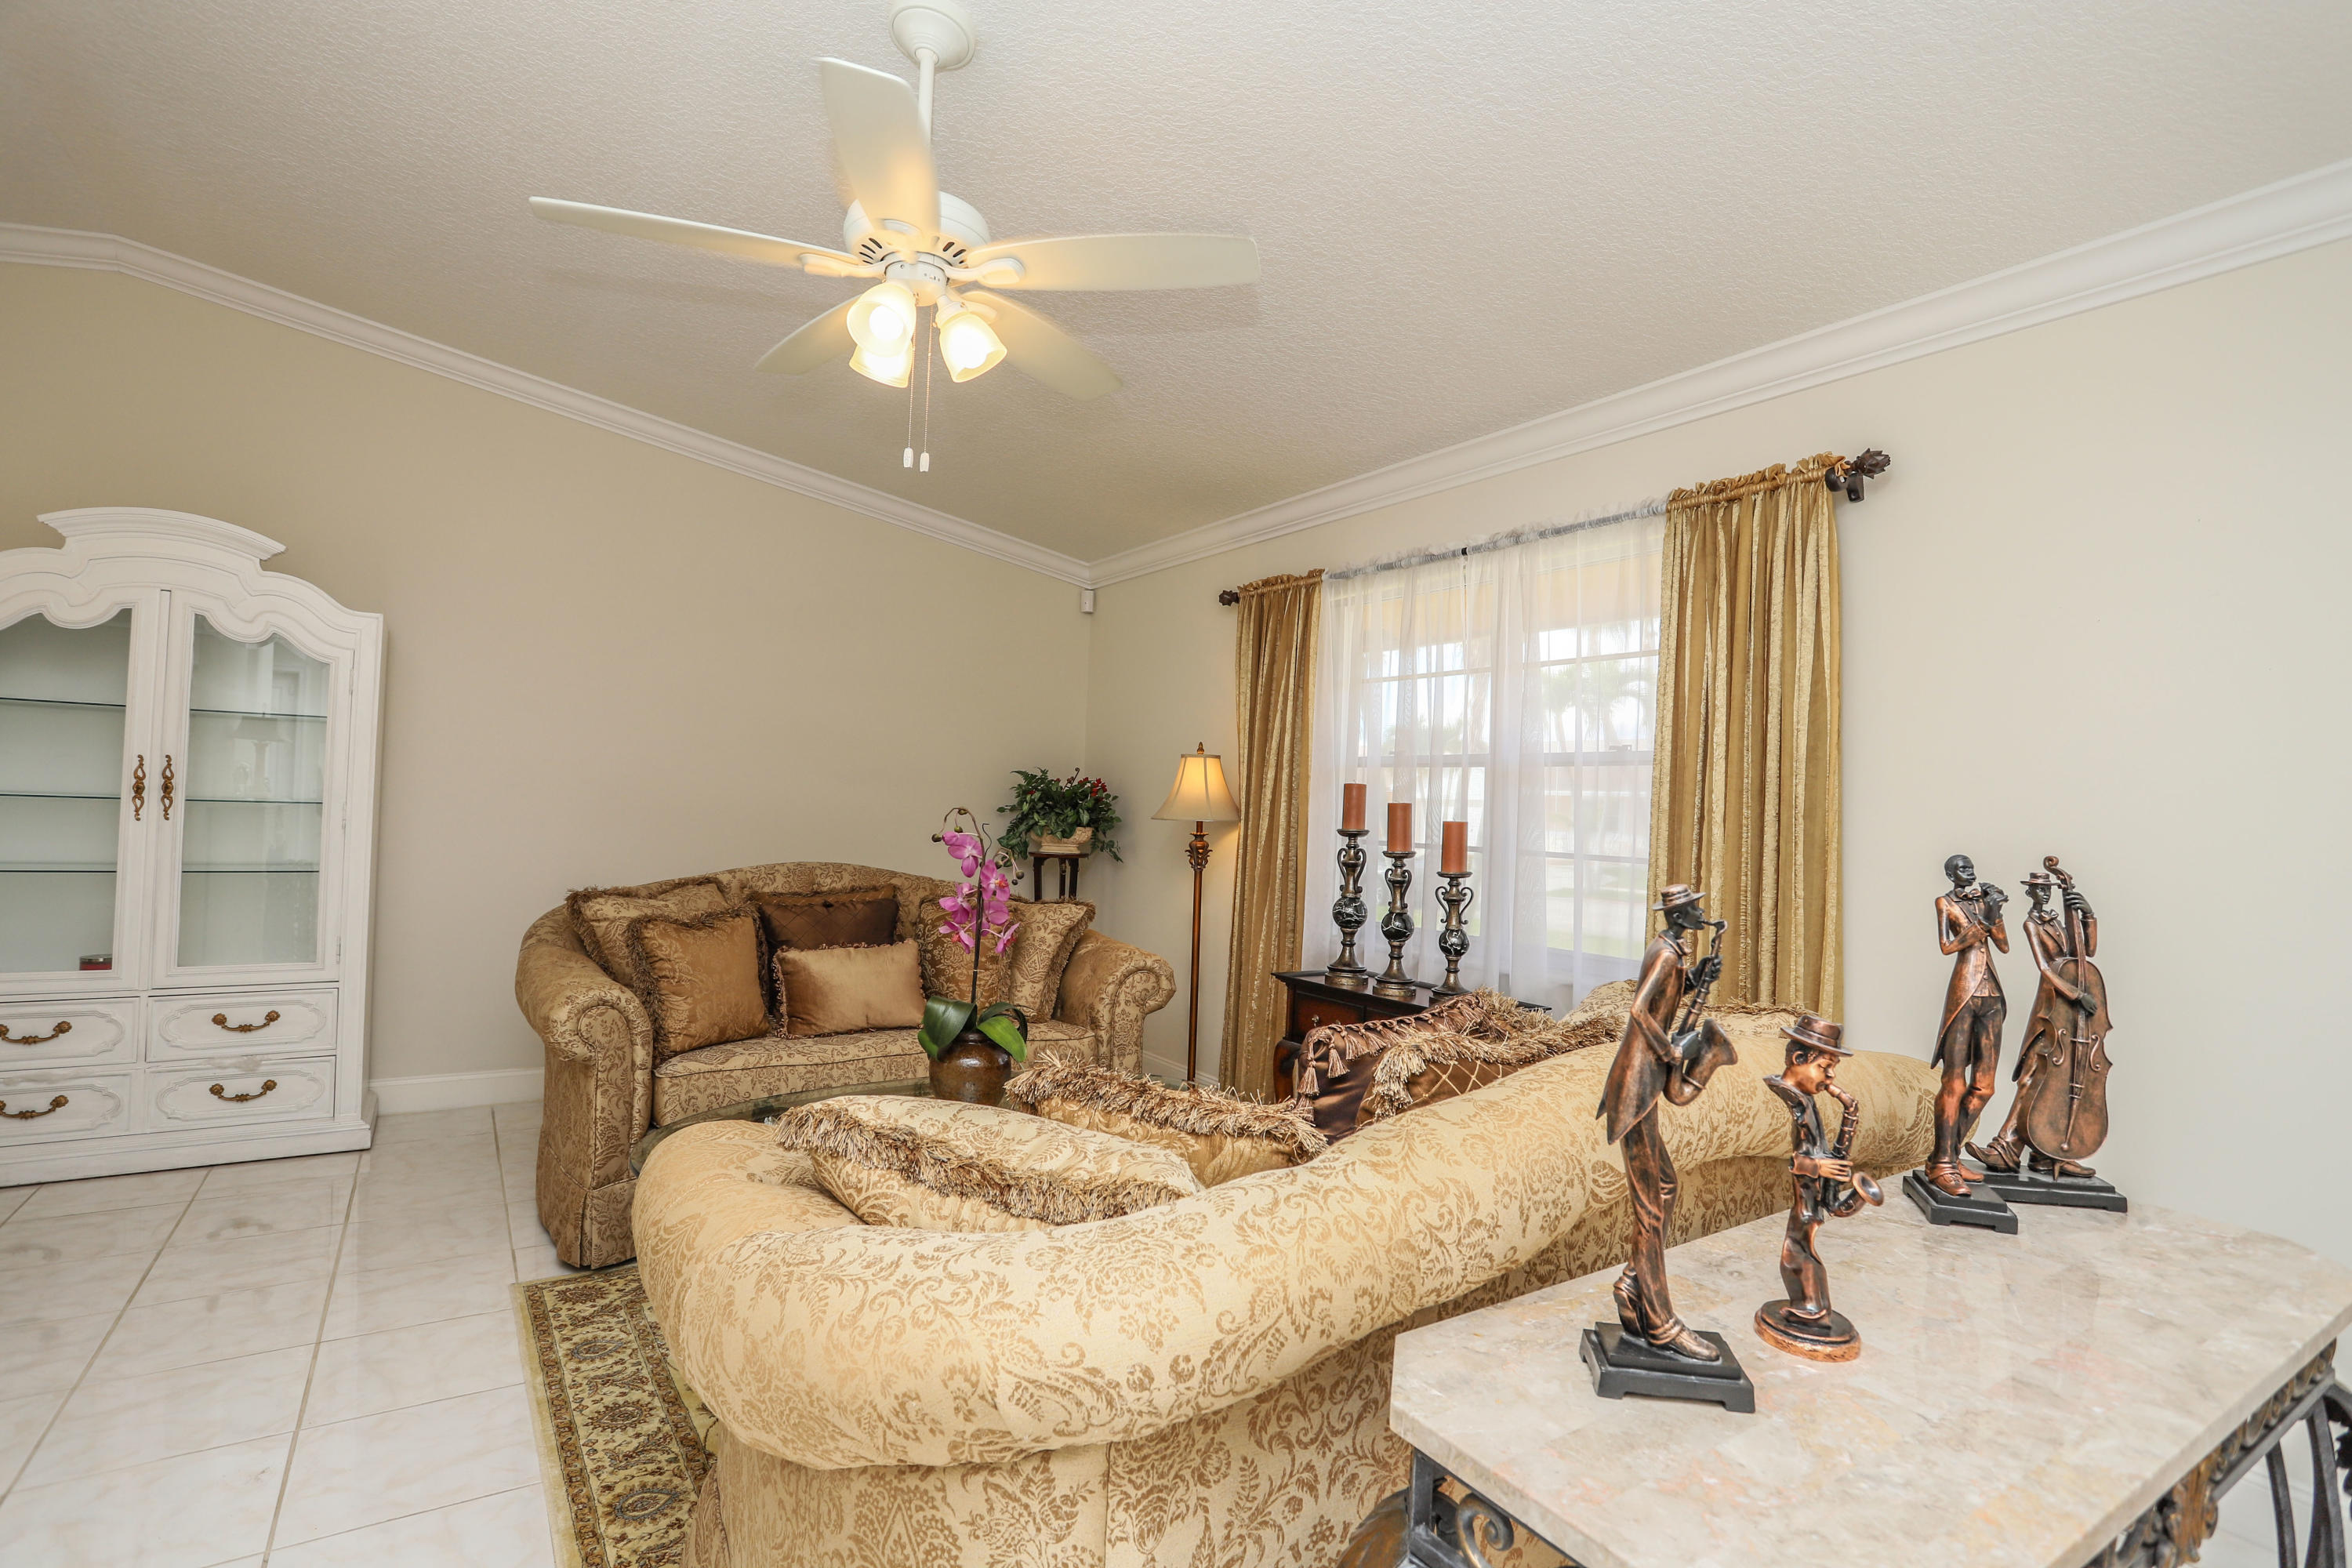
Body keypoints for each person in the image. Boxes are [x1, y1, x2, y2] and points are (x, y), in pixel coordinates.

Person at [1596, 884, 1738, 1362]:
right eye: (1695, 908)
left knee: (1666, 1186)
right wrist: (1671, 1051)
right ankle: (1661, 1324)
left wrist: (1695, 978)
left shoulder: (1673, 952)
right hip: (1637, 1087)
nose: (1701, 912)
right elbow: (1639, 1010)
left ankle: (1632, 1281)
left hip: (1644, 1082)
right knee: (1652, 1209)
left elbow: (1662, 999)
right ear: (1680, 915)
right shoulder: (1663, 954)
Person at [1969, 871, 2102, 1177]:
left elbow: (2086, 953)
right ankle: (2005, 1148)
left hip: (2071, 1014)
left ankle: (2049, 1154)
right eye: (2038, 890)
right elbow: (2045, 968)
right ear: (2030, 893)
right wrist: (2076, 993)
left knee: (2061, 1080)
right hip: (2052, 1007)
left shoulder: (2059, 921)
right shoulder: (2032, 924)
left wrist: (2088, 916)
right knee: (2031, 1076)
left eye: (2047, 889)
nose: (2044, 894)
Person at [1762, 1015, 1880, 1339]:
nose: (1831, 1077)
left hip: (1811, 1195)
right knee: (1796, 1252)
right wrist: (1820, 1167)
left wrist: (1831, 1161)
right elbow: (1795, 1159)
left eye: (1832, 1069)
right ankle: (1812, 1307)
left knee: (1800, 1249)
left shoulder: (1806, 1099)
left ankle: (1814, 1307)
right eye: (1825, 1067)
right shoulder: (1793, 1099)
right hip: (1806, 1192)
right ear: (1799, 1059)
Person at [1926, 855, 2007, 1198]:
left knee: (1984, 1087)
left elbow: (2003, 945)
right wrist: (1982, 922)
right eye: (1961, 868)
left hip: (1992, 996)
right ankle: (1944, 1165)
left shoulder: (1983, 901)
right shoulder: (1945, 903)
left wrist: (1995, 912)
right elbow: (1947, 947)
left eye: (1971, 867)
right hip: (1964, 993)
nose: (1969, 872)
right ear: (1950, 874)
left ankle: (1946, 1157)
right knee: (1955, 1082)